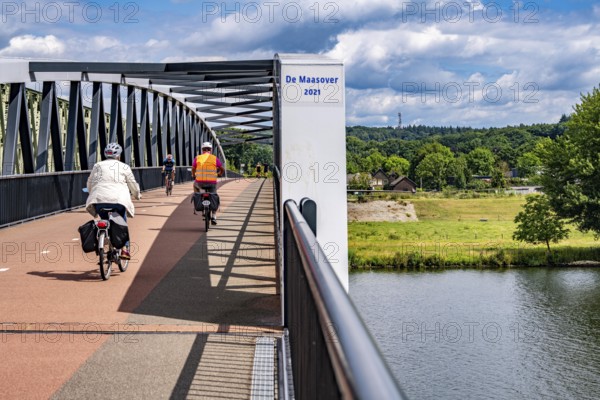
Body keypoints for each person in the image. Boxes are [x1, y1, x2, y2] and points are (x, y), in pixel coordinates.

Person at [86, 143, 141, 260]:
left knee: (103, 218)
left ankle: (103, 240)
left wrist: (92, 193)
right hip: (118, 200)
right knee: (121, 220)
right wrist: (137, 195)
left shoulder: (97, 166)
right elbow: (133, 184)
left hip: (99, 200)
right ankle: (125, 249)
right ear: (119, 156)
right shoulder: (124, 166)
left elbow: (90, 183)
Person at [192, 142, 225, 225]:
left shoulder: (198, 158)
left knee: (195, 186)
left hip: (200, 183)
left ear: (202, 150)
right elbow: (222, 168)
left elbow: (193, 168)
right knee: (214, 195)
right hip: (212, 183)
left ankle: (198, 196)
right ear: (211, 150)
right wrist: (220, 174)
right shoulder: (214, 158)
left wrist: (193, 175)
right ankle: (214, 216)